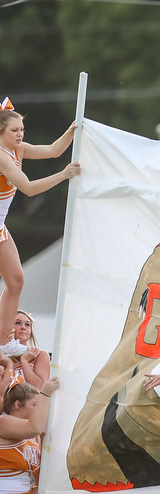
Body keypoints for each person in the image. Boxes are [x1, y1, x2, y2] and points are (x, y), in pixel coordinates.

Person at [0, 100, 80, 348]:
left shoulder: (19, 149)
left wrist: (71, 131)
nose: (20, 134)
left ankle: (4, 341)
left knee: (16, 282)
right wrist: (64, 175)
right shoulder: (2, 157)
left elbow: (54, 150)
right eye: (15, 131)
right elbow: (30, 189)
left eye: (22, 129)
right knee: (15, 281)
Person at [0, 376, 68, 494]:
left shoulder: (32, 436)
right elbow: (34, 427)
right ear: (18, 405)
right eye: (35, 405)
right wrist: (46, 392)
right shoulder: (4, 422)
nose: (40, 410)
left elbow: (40, 474)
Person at [7, 310, 50, 389]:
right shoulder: (3, 357)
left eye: (27, 324)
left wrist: (25, 361)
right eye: (17, 323)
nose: (23, 327)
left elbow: (40, 389)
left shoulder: (40, 355)